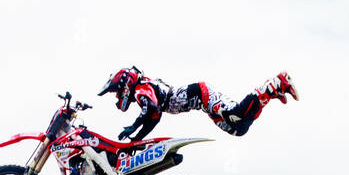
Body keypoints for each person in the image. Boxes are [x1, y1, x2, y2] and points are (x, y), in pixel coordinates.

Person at [97, 66, 297, 141]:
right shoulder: (145, 94)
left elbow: (150, 108)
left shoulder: (142, 88)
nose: (117, 97)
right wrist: (137, 139)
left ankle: (274, 83)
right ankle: (271, 94)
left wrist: (133, 126)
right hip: (202, 105)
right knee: (238, 129)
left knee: (235, 114)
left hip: (202, 94)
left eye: (116, 91)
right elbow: (153, 119)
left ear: (124, 84)